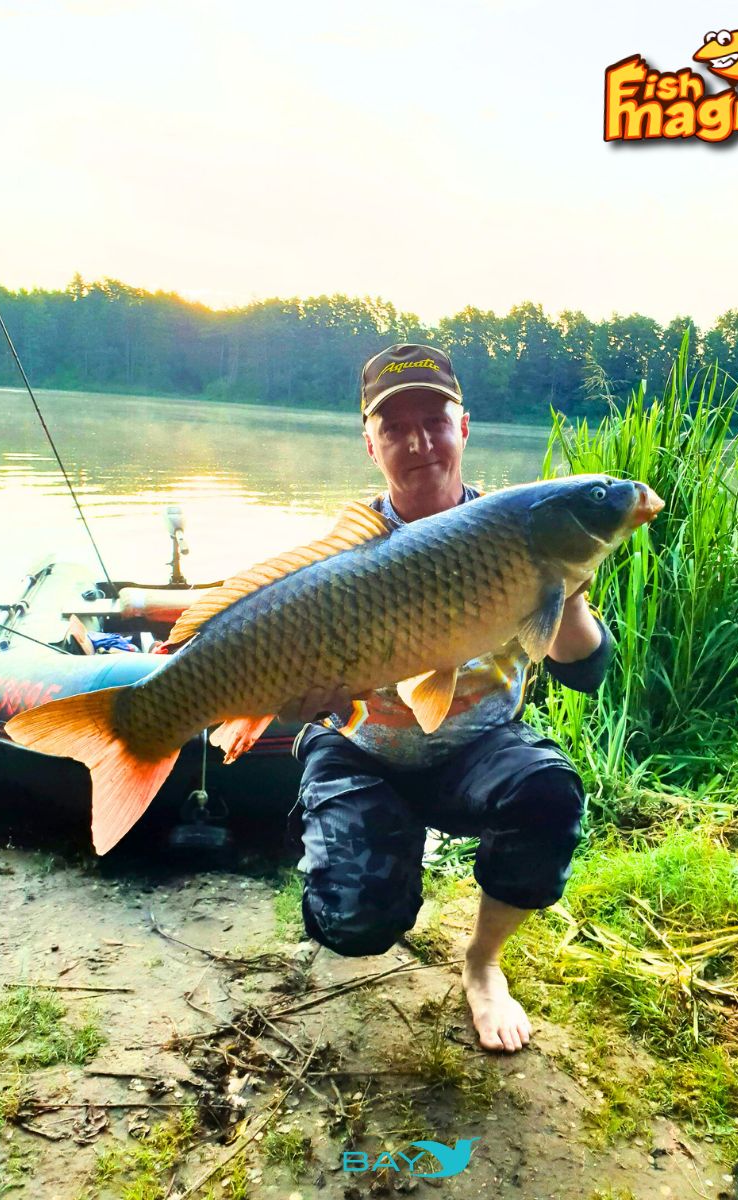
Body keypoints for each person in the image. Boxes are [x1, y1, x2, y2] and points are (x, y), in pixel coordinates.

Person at [281, 343, 613, 1054]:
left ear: (463, 427)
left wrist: (565, 587)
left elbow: (585, 671)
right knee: (352, 921)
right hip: (363, 748)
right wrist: (298, 700)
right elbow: (298, 694)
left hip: (476, 749)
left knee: (550, 794)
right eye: (395, 427)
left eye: (434, 422)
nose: (418, 442)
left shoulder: (520, 526)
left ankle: (483, 962)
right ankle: (370, 846)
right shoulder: (343, 554)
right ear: (369, 443)